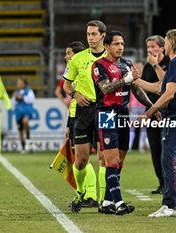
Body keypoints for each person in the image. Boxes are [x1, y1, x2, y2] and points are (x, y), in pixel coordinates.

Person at [92, 30, 155, 215]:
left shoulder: (127, 64)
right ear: (106, 46)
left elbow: (135, 89)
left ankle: (105, 202)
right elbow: (104, 89)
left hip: (122, 113)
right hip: (106, 113)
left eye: (122, 44)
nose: (120, 47)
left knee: (119, 161)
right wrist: (123, 80)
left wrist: (152, 107)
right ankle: (119, 204)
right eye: (116, 44)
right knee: (111, 160)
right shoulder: (99, 66)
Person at [136, 29, 176, 217]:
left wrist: (150, 112)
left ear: (172, 42)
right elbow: (160, 88)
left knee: (169, 161)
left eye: (166, 41)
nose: (164, 45)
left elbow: (168, 94)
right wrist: (134, 80)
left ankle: (169, 205)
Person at [63, 20, 107, 212]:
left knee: (105, 158)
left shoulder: (111, 57)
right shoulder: (77, 59)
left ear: (103, 35)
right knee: (80, 160)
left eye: (94, 34)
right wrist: (76, 94)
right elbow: (66, 85)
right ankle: (81, 192)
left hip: (105, 110)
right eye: (88, 34)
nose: (90, 37)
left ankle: (105, 200)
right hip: (83, 111)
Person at [58, 41, 98, 208]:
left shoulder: (85, 72)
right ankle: (88, 194)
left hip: (86, 116)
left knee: (84, 158)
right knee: (80, 159)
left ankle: (90, 195)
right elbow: (73, 102)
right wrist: (69, 123)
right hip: (76, 117)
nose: (66, 57)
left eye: (69, 53)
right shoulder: (73, 74)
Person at [140, 35, 170, 194]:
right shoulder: (147, 66)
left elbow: (165, 86)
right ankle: (161, 183)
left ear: (162, 47)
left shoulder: (169, 63)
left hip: (166, 113)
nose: (150, 50)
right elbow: (143, 88)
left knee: (166, 150)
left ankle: (169, 183)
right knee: (155, 149)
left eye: (153, 46)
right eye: (148, 47)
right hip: (151, 113)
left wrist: (156, 65)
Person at [55, 41, 86, 109]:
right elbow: (59, 90)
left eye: (68, 54)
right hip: (72, 111)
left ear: (77, 55)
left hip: (88, 112)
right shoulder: (68, 75)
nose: (65, 57)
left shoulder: (90, 71)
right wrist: (66, 101)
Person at [11, 77, 35, 153]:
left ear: (24, 83)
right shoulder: (16, 92)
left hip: (27, 111)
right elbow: (13, 102)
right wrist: (15, 98)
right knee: (20, 130)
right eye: (18, 82)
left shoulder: (29, 91)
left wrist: (21, 97)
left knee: (25, 121)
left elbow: (31, 100)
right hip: (18, 113)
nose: (18, 84)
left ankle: (28, 138)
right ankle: (23, 147)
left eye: (20, 82)